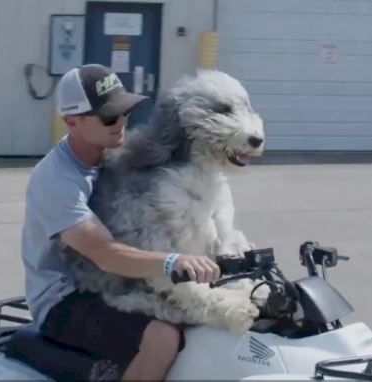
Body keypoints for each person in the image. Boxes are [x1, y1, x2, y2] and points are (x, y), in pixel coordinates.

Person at [20, 64, 222, 381]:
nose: (122, 124)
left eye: (125, 112)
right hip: (66, 298)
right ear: (71, 121)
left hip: (119, 284)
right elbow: (106, 253)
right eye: (109, 117)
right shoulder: (56, 180)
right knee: (162, 338)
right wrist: (174, 262)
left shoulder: (119, 156)